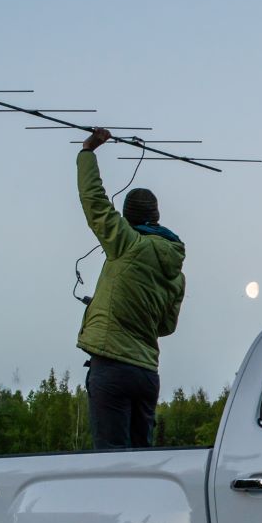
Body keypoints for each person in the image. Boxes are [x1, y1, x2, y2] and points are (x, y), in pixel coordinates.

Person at [76, 127, 186, 449]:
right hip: (147, 375)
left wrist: (87, 152)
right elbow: (166, 326)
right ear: (156, 217)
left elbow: (95, 203)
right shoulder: (176, 269)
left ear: (127, 218)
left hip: (112, 368)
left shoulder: (127, 242)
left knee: (112, 466)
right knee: (141, 466)